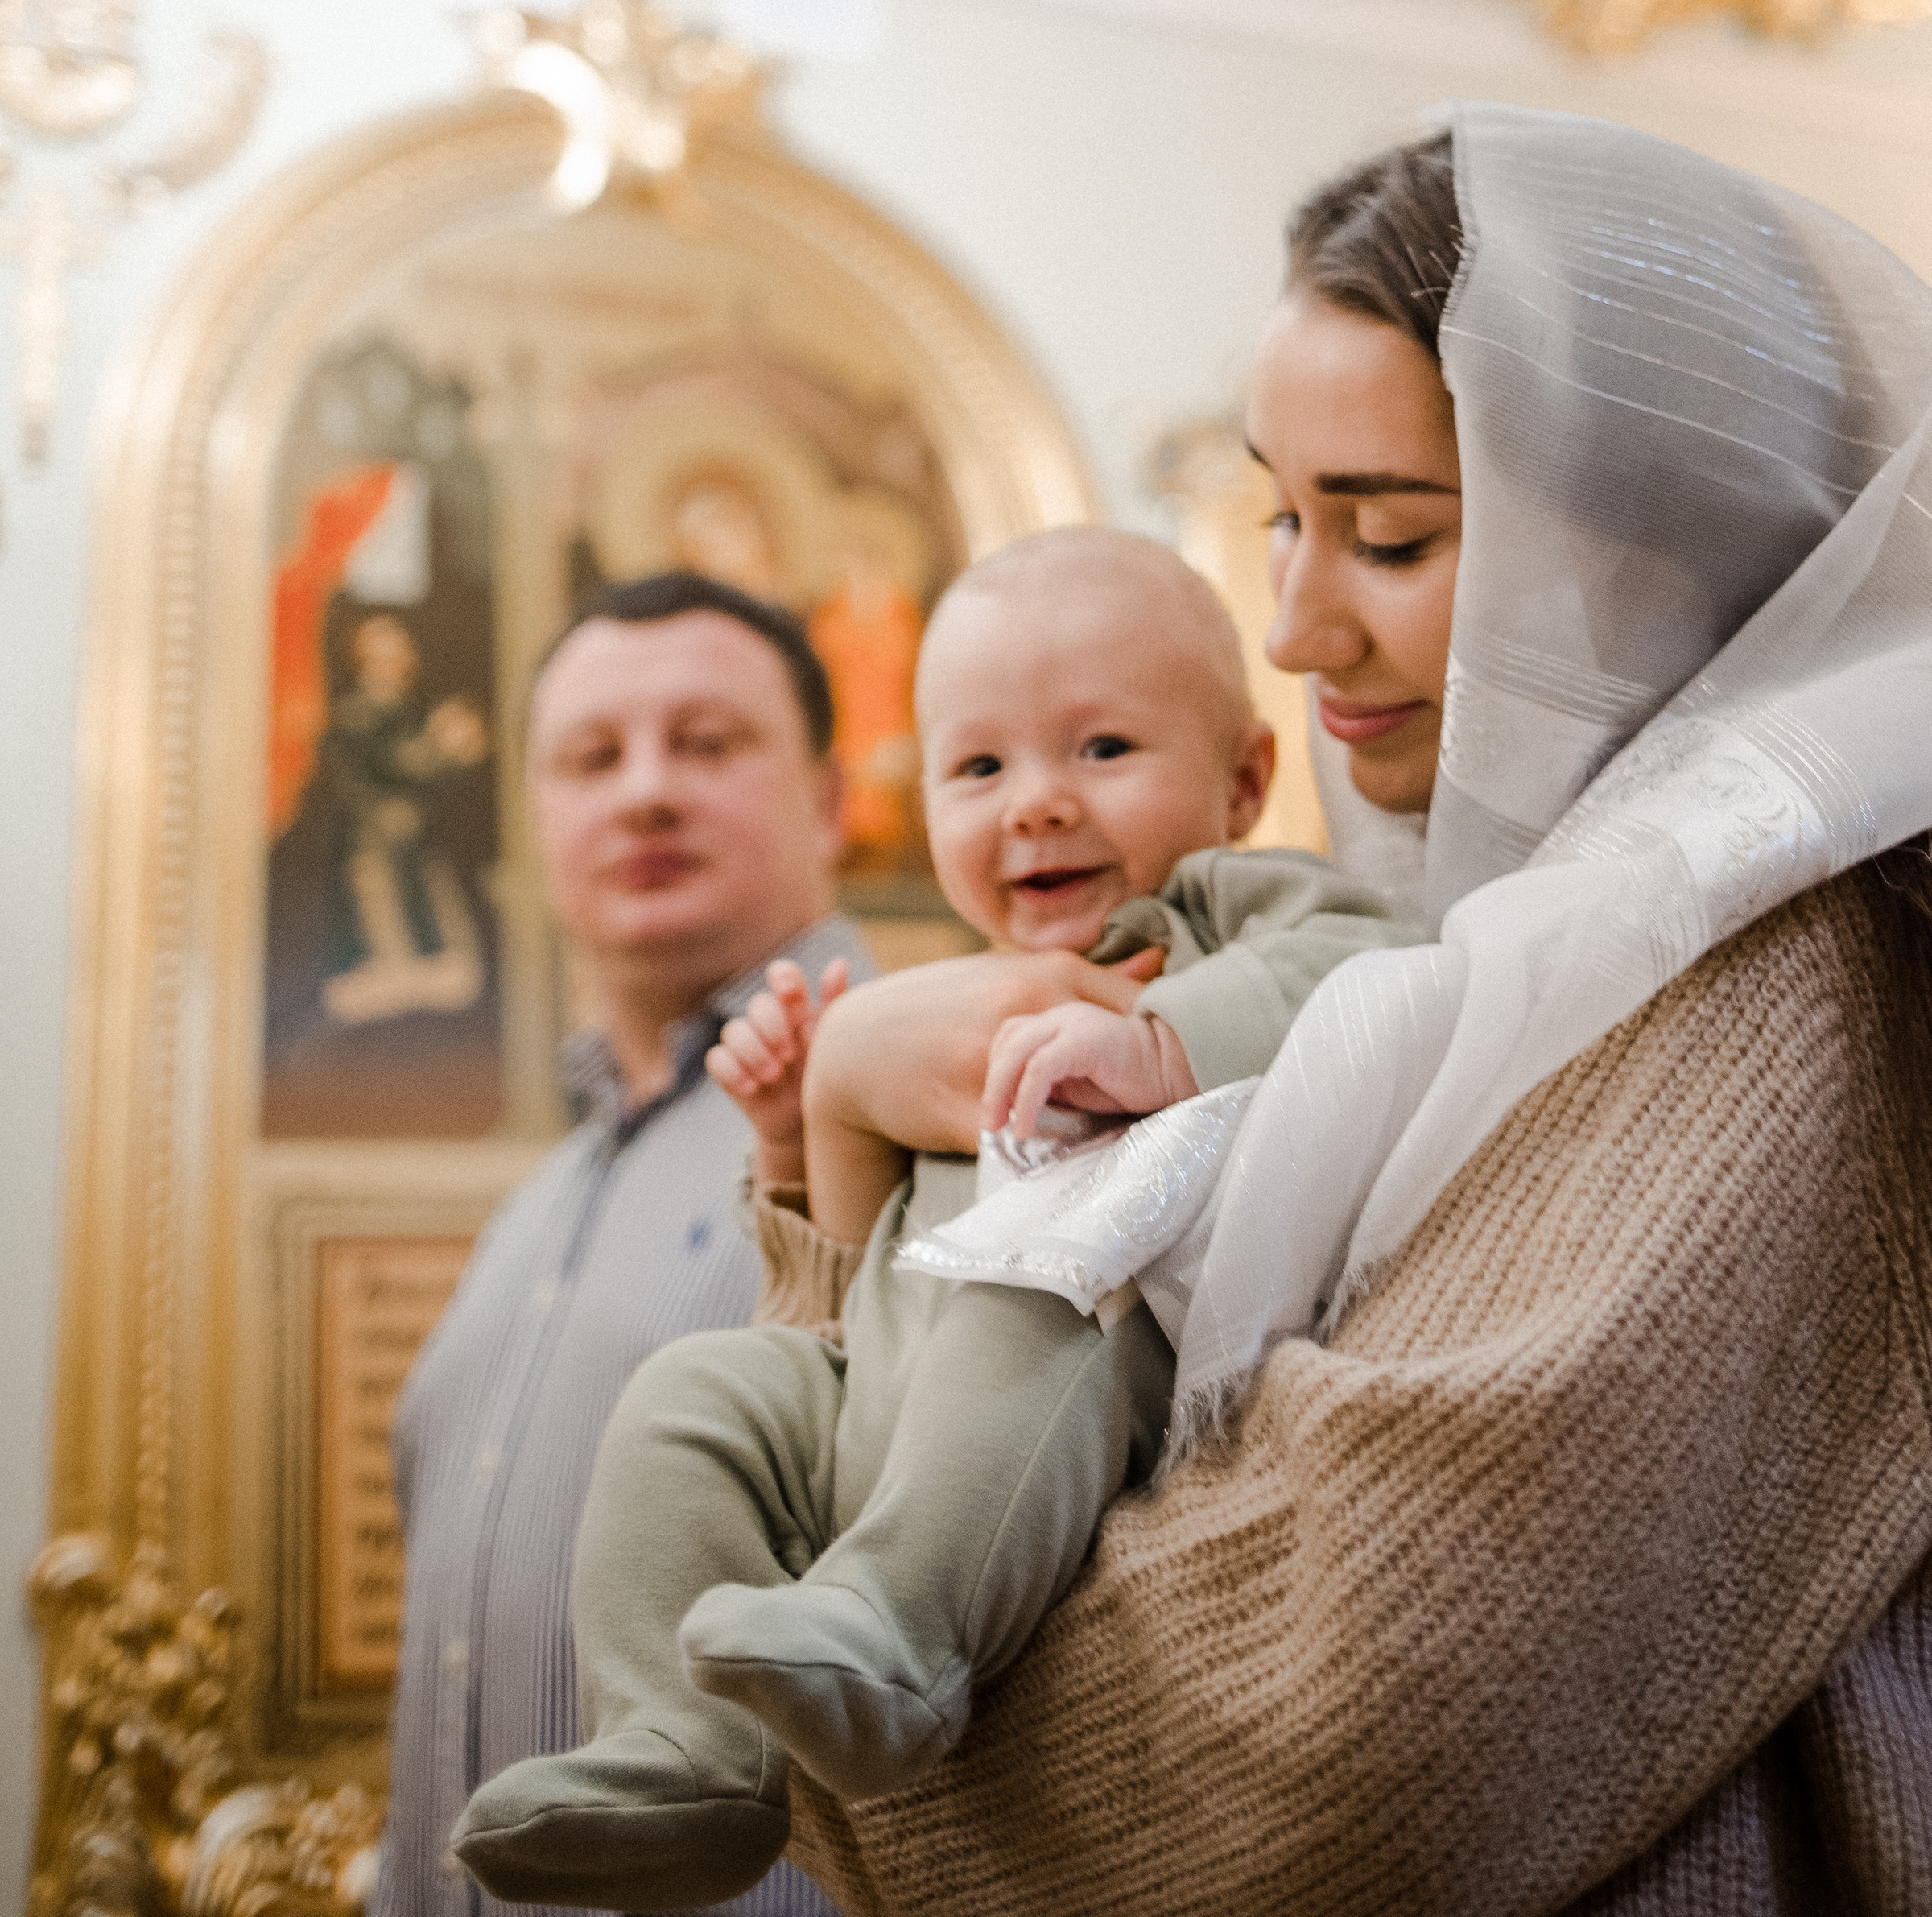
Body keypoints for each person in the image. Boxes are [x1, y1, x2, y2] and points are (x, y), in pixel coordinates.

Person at [749, 109, 1932, 1917]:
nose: (1289, 628)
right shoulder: (1525, 957)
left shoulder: (1791, 977)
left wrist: (770, 1718)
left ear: (1655, 541)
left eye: (1384, 538)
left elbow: (1329, 1741)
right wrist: (844, 1163)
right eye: (1283, 519)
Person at [450, 530, 1425, 1909]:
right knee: (697, 1389)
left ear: (1245, 779)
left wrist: (1162, 1035)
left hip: (1086, 1344)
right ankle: (684, 1741)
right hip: (889, 1386)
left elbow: (1379, 966)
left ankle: (900, 1630)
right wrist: (796, 1146)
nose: (1033, 806)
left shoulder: (1220, 916)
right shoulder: (929, 1003)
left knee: (1033, 1299)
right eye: (979, 769)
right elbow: (849, 1303)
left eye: (1100, 751)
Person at [373, 569, 874, 1917]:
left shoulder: (908, 1107)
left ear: (828, 798)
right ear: (539, 822)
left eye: (708, 745)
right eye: (592, 758)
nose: (645, 790)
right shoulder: (534, 1204)